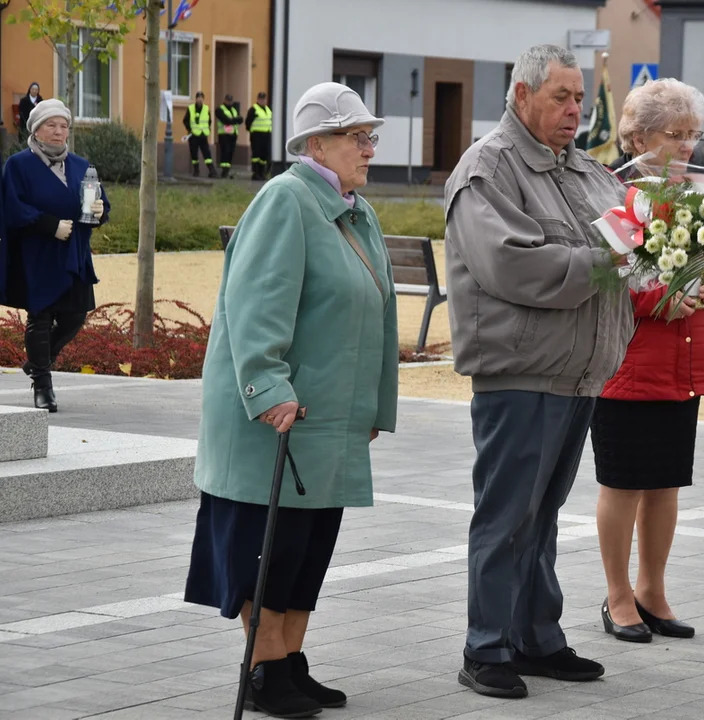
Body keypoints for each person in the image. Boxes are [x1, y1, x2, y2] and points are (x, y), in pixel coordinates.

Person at [183, 82, 398, 718]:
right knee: (267, 551)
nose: (369, 148)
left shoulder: (355, 209)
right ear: (317, 144)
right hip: (275, 418)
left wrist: (372, 410)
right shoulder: (286, 200)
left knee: (307, 549)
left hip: (328, 418)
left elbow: (376, 319)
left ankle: (290, 664)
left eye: (370, 136)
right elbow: (253, 307)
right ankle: (264, 667)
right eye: (358, 137)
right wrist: (268, 389)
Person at [443, 44, 632, 700]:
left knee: (542, 514)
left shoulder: (584, 171)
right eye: (561, 97)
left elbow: (634, 236)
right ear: (520, 96)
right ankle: (486, 647)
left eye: (578, 98)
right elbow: (512, 266)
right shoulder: (488, 170)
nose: (575, 110)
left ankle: (535, 637)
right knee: (505, 516)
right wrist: (608, 261)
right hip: (519, 372)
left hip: (578, 373)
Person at [591, 78, 704, 646]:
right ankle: (617, 594)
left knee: (667, 484)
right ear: (636, 136)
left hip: (682, 362)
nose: (685, 146)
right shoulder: (611, 195)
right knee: (623, 484)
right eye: (673, 134)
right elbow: (614, 279)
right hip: (628, 364)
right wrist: (668, 295)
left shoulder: (703, 195)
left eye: (693, 135)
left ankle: (653, 589)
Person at [1, 99, 107, 413]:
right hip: (38, 253)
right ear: (36, 129)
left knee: (76, 315)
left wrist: (100, 212)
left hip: (74, 253)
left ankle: (37, 362)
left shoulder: (81, 165)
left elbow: (97, 203)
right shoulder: (18, 165)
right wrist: (49, 225)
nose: (59, 131)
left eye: (64, 126)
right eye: (52, 125)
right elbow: (12, 207)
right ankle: (43, 386)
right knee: (42, 316)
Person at [184, 91, 217, 178]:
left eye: (201, 98)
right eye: (198, 98)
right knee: (194, 154)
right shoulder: (190, 108)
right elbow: (185, 120)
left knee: (207, 153)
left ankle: (212, 171)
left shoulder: (206, 109)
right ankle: (196, 171)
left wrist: (207, 129)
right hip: (193, 135)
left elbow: (209, 120)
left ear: (203, 99)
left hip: (203, 135)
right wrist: (189, 129)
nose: (200, 100)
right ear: (196, 99)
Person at [246, 91, 273, 180]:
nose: (263, 101)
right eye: (261, 99)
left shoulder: (268, 109)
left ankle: (262, 173)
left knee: (264, 155)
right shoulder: (254, 109)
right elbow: (248, 122)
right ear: (258, 99)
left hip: (266, 134)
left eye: (264, 99)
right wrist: (251, 131)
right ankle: (255, 173)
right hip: (256, 135)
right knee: (256, 155)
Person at [216, 93, 242, 179]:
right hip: (224, 134)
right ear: (224, 100)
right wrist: (234, 120)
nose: (229, 102)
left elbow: (240, 119)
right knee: (225, 152)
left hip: (233, 134)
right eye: (227, 100)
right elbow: (226, 120)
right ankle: (224, 171)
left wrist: (233, 120)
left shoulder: (234, 110)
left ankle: (227, 170)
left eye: (230, 100)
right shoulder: (220, 109)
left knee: (230, 153)